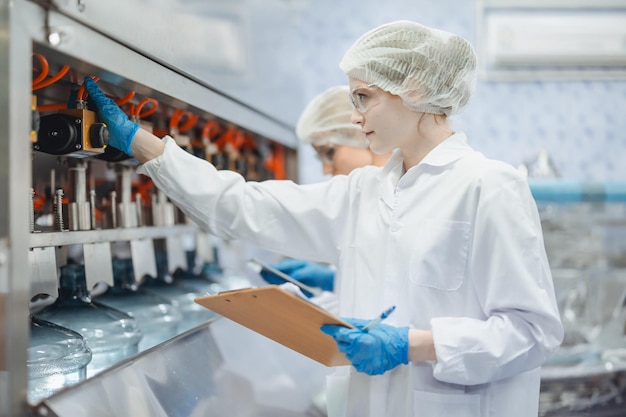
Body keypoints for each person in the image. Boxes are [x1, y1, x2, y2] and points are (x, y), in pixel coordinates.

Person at [83, 19, 563, 417]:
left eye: (364, 97)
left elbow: (533, 332)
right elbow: (243, 207)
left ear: (414, 88)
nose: (355, 116)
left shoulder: (489, 185)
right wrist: (144, 145)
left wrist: (412, 345)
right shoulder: (364, 191)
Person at [260, 85, 391, 293]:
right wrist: (336, 281)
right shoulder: (362, 200)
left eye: (329, 152)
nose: (326, 169)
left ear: (363, 134)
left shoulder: (407, 193)